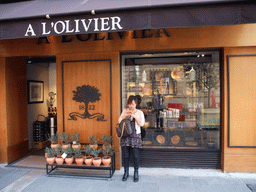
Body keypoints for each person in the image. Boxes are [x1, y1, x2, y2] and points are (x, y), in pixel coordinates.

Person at [118, 95, 145, 182]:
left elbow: (141, 124)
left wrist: (134, 116)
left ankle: (136, 173)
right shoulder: (125, 111)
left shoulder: (140, 112)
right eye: (129, 104)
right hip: (125, 136)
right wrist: (124, 116)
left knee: (135, 156)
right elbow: (118, 121)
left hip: (135, 136)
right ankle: (126, 173)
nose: (131, 106)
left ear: (136, 104)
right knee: (126, 156)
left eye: (132, 104)